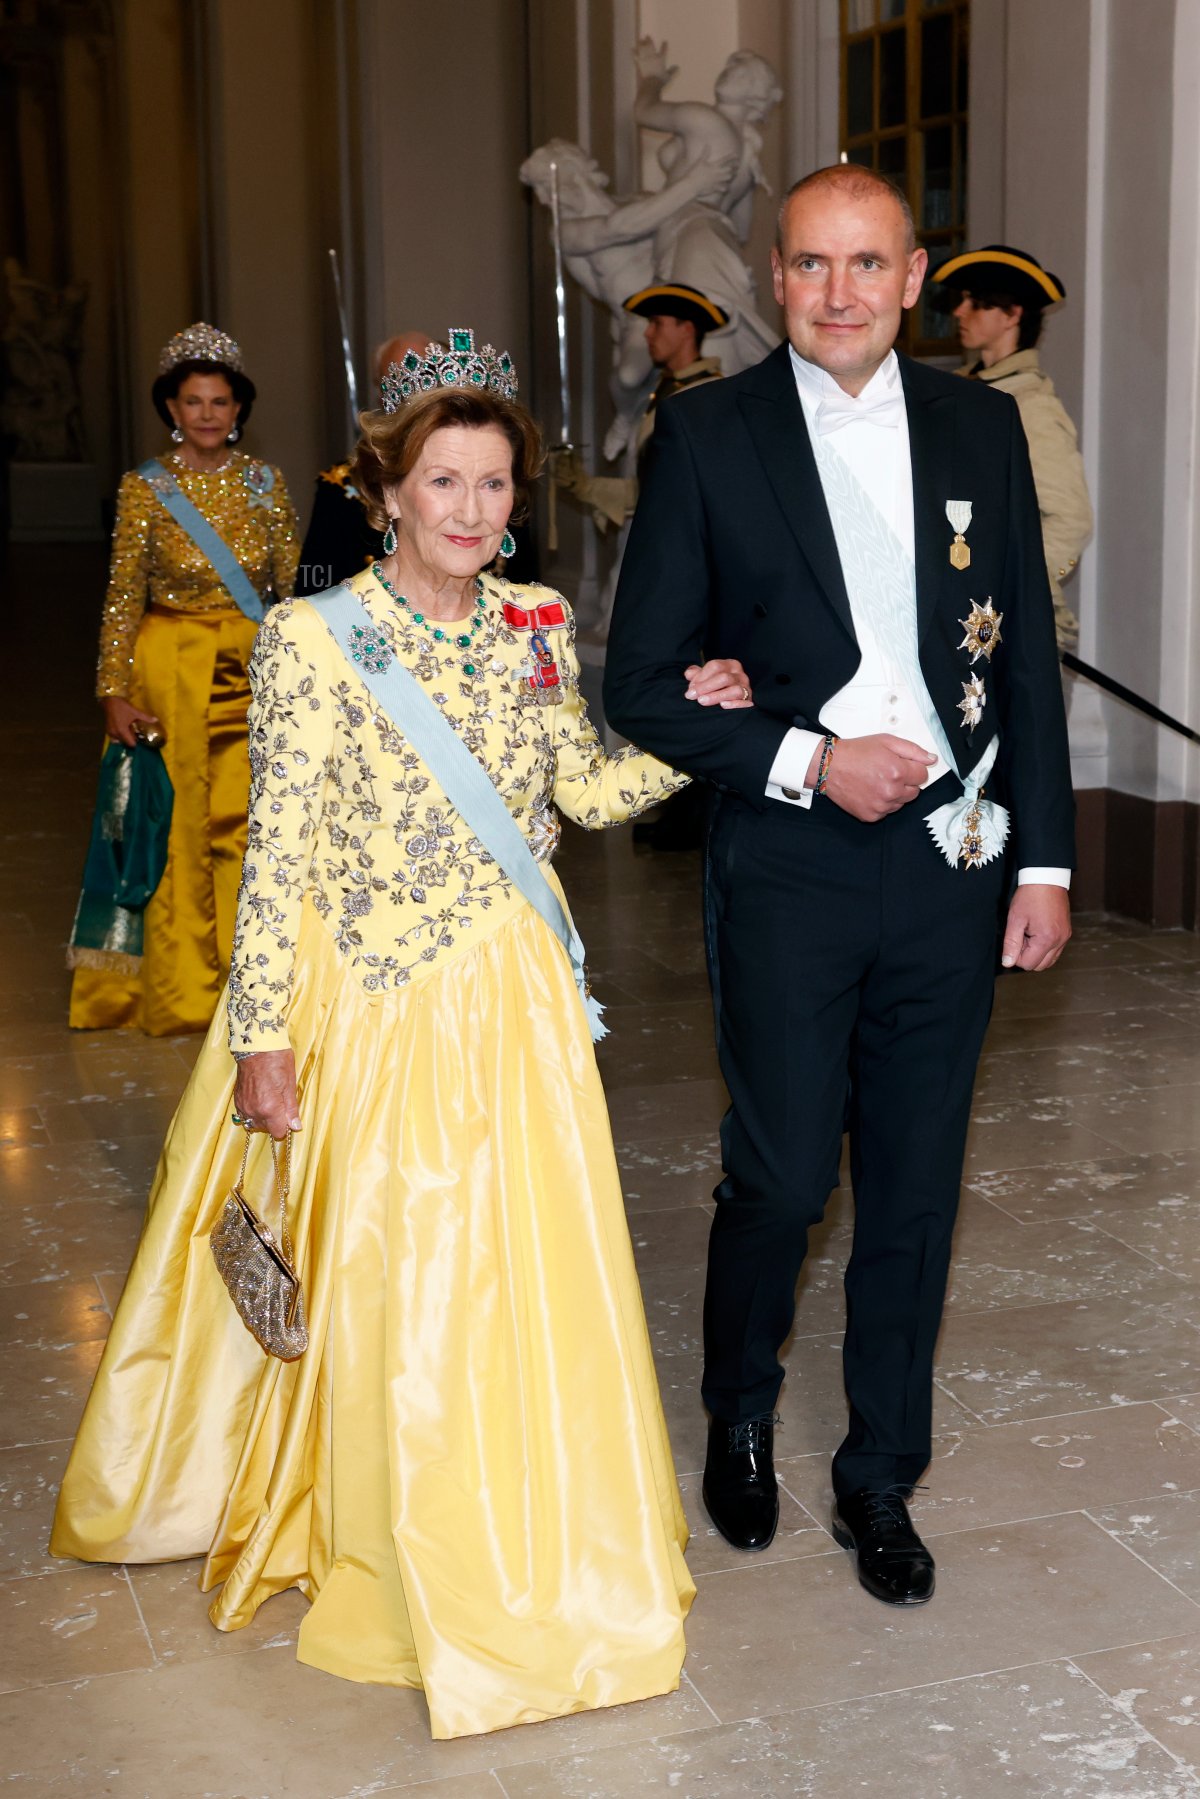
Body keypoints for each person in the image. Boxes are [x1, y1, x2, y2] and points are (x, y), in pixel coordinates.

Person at [50, 330, 756, 1739]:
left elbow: (587, 795)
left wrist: (692, 729)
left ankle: (517, 1496)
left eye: (496, 483)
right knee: (391, 1265)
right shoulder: (316, 636)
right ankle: (386, 1511)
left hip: (513, 996)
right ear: (386, 489)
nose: (475, 508)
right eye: (446, 479)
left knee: (520, 1265)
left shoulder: (535, 623)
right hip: (367, 990)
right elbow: (281, 851)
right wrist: (261, 1037)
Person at [604, 167, 1074, 1606]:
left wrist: (1044, 853)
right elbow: (639, 685)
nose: (840, 292)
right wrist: (803, 756)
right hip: (794, 862)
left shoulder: (981, 427)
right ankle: (739, 1406)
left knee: (917, 1188)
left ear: (914, 273)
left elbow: (1027, 661)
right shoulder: (705, 435)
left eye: (867, 264)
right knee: (787, 1169)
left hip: (954, 855)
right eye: (812, 265)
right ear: (775, 274)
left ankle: (881, 1475)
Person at [69, 323, 298, 1035]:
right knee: (171, 827)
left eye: (220, 401)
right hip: (167, 671)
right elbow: (120, 595)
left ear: (239, 410)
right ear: (171, 408)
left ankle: (255, 984)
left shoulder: (266, 484)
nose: (206, 414)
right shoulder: (145, 488)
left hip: (251, 668)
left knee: (253, 823)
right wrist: (113, 690)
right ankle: (182, 990)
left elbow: (289, 586)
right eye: (193, 401)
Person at [930, 244, 1093, 647]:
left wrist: (1014, 582)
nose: (959, 312)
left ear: (1013, 315)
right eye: (962, 300)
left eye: (977, 303)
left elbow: (1072, 519)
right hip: (954, 611)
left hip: (1012, 627)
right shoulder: (962, 391)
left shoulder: (1030, 406)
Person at [295, 330, 432, 595]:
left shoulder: (488, 480)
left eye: (422, 379)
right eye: (393, 382)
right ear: (380, 395)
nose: (411, 395)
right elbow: (313, 590)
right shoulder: (341, 486)